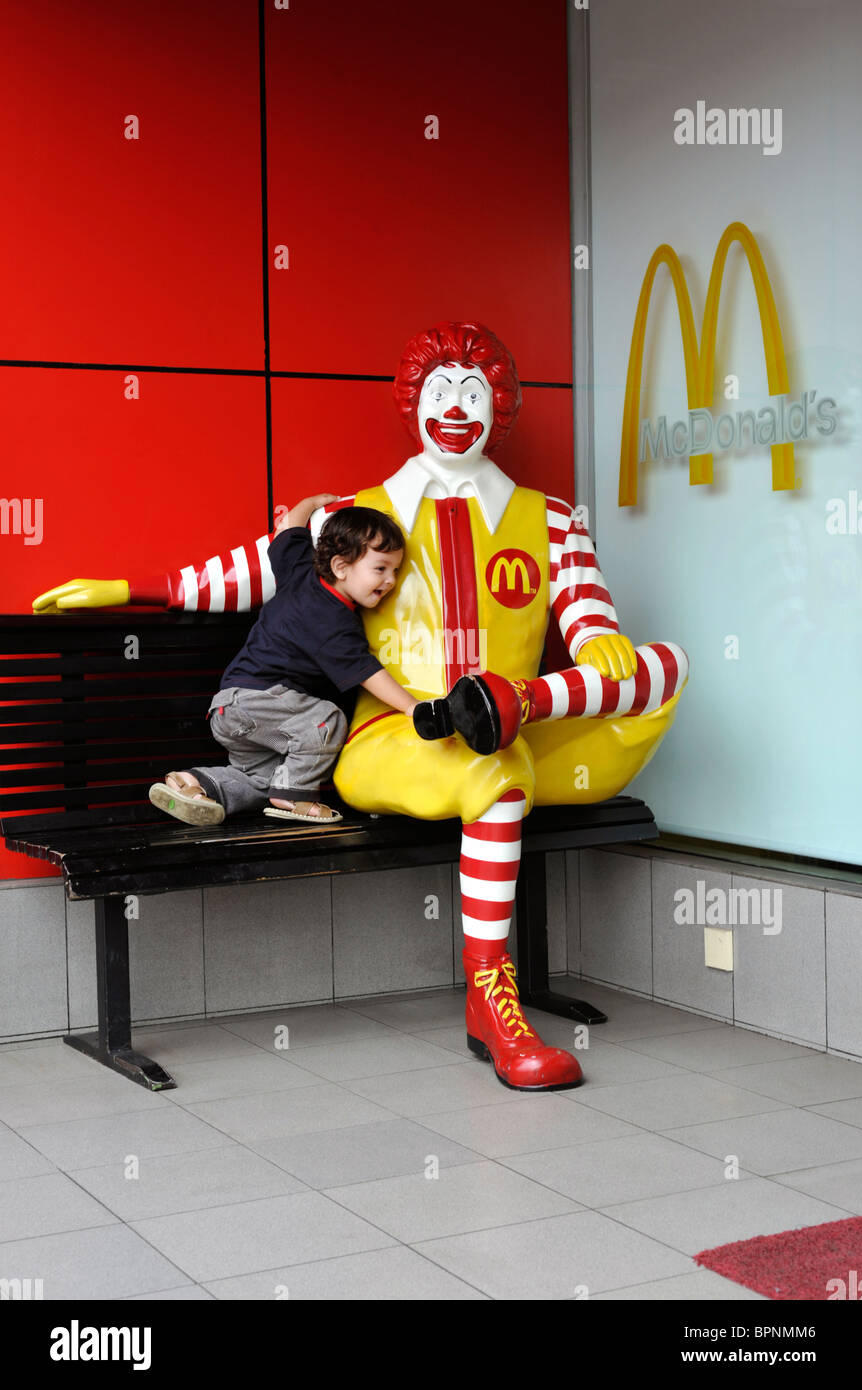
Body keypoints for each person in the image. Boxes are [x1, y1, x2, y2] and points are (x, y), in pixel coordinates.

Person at [32, 321, 688, 1094]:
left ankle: (510, 703)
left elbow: (589, 617)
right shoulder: (357, 517)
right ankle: (491, 998)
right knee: (494, 771)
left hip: (527, 735)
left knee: (666, 670)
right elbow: (253, 571)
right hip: (394, 746)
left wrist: (600, 639)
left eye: (474, 392)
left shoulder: (551, 521)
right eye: (441, 390)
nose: (456, 407)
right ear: (413, 402)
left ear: (500, 409)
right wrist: (129, 589)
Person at [148, 495, 416, 827]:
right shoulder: (334, 622)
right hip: (257, 703)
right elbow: (367, 673)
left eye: (396, 570)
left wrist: (314, 501)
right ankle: (295, 795)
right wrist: (411, 707)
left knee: (264, 781)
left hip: (235, 711)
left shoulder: (300, 569)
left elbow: (290, 528)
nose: (391, 580)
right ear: (341, 567)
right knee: (326, 721)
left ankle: (194, 784)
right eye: (381, 568)